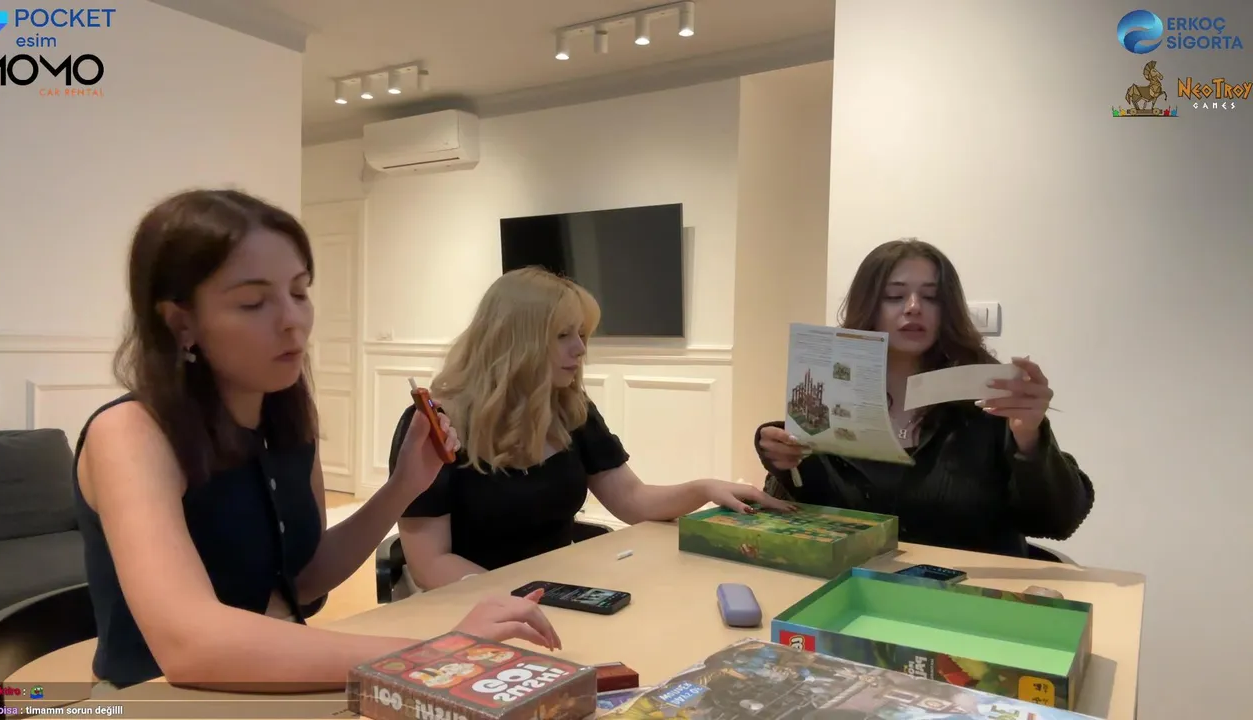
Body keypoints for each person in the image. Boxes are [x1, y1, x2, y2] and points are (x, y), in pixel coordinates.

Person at [75, 189, 560, 693]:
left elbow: (304, 579)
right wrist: (438, 650)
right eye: (253, 302)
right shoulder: (130, 434)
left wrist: (403, 487)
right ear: (181, 323)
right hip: (154, 698)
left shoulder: (283, 418)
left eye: (300, 292)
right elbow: (192, 646)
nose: (293, 320)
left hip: (277, 680)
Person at [395, 267, 794, 591]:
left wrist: (704, 489)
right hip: (475, 608)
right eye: (563, 335)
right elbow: (431, 563)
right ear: (515, 342)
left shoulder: (572, 410)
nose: (581, 349)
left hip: (553, 595)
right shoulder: (435, 426)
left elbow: (632, 500)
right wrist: (515, 599)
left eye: (582, 335)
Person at [754, 238, 1093, 558]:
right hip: (857, 583)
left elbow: (1057, 521)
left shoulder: (989, 398)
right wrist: (779, 449)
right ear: (868, 305)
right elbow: (812, 511)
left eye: (931, 297)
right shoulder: (833, 392)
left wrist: (1030, 439)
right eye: (894, 296)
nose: (914, 308)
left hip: (966, 591)